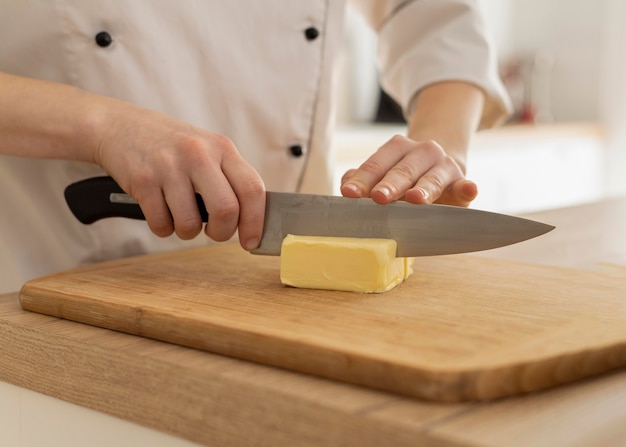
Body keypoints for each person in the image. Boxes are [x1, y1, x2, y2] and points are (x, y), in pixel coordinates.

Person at [0, 0, 510, 293]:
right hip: (53, 285)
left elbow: (433, 17)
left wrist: (438, 148)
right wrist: (101, 124)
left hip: (298, 308)